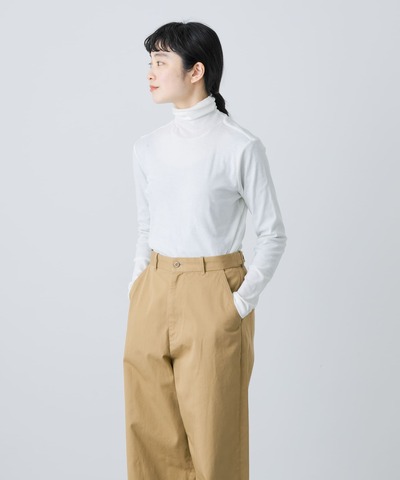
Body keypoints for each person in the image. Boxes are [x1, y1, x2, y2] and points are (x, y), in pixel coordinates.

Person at [123, 20, 287, 480]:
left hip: (213, 293)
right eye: (150, 62)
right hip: (153, 291)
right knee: (149, 438)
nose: (151, 72)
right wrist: (138, 285)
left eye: (161, 61)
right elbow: (146, 226)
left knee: (215, 444)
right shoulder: (147, 148)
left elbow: (273, 234)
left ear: (196, 71)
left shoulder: (240, 146)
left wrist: (238, 304)